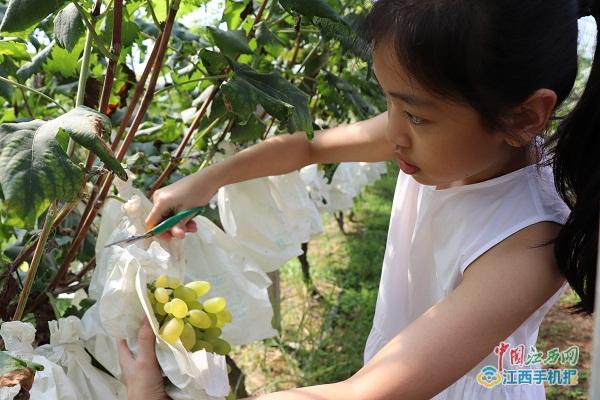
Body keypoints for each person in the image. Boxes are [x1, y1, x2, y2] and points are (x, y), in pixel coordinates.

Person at [117, 0, 600, 398]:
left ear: (525, 117)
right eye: (389, 100)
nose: (392, 133)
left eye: (415, 115)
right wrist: (206, 180)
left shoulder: (529, 244)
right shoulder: (438, 147)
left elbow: (362, 394)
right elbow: (307, 147)